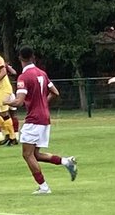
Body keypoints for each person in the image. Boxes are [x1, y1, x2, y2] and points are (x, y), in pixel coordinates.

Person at [5, 47, 77, 194]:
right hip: (45, 118)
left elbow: (19, 101)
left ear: (20, 58)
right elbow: (55, 92)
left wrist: (7, 102)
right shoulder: (42, 73)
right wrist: (43, 103)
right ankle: (66, 162)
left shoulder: (24, 77)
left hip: (34, 119)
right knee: (35, 154)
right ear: (33, 57)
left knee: (27, 155)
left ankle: (44, 187)